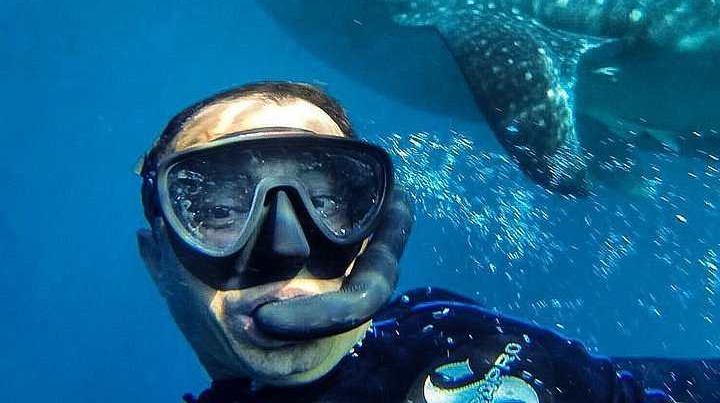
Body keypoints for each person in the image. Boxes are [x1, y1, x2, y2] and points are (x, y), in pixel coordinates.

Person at [137, 81, 719, 403]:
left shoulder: (460, 339)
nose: (287, 246)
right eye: (217, 209)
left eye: (333, 200)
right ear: (157, 261)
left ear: (380, 230)